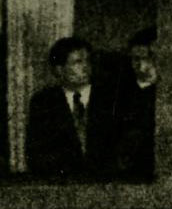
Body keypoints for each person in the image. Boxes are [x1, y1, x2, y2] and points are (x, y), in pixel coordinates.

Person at [23, 36, 116, 180]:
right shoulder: (43, 102)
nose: (85, 67)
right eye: (77, 62)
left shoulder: (110, 98)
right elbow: (36, 153)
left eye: (88, 61)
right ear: (59, 70)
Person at [111, 27, 159, 180]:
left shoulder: (167, 93)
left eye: (149, 58)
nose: (142, 66)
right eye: (136, 59)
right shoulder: (119, 93)